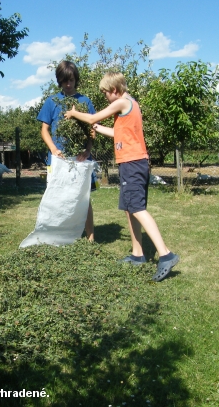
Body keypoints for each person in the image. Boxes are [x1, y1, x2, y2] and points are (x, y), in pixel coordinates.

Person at [64, 72, 179, 281]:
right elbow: (119, 133)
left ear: (115, 90)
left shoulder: (122, 102)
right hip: (132, 162)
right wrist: (98, 128)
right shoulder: (130, 105)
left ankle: (165, 254)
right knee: (129, 208)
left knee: (138, 208)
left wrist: (74, 114)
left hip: (133, 163)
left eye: (106, 93)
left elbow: (91, 117)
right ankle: (137, 254)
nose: (106, 97)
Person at [37, 60, 96, 242]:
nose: (68, 85)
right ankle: (55, 237)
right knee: (56, 197)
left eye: (71, 80)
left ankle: (91, 237)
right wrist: (53, 148)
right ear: (59, 81)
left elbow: (92, 130)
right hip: (57, 159)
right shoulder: (52, 102)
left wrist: (87, 151)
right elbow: (44, 130)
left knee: (83, 199)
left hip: (79, 159)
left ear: (76, 79)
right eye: (64, 81)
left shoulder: (84, 102)